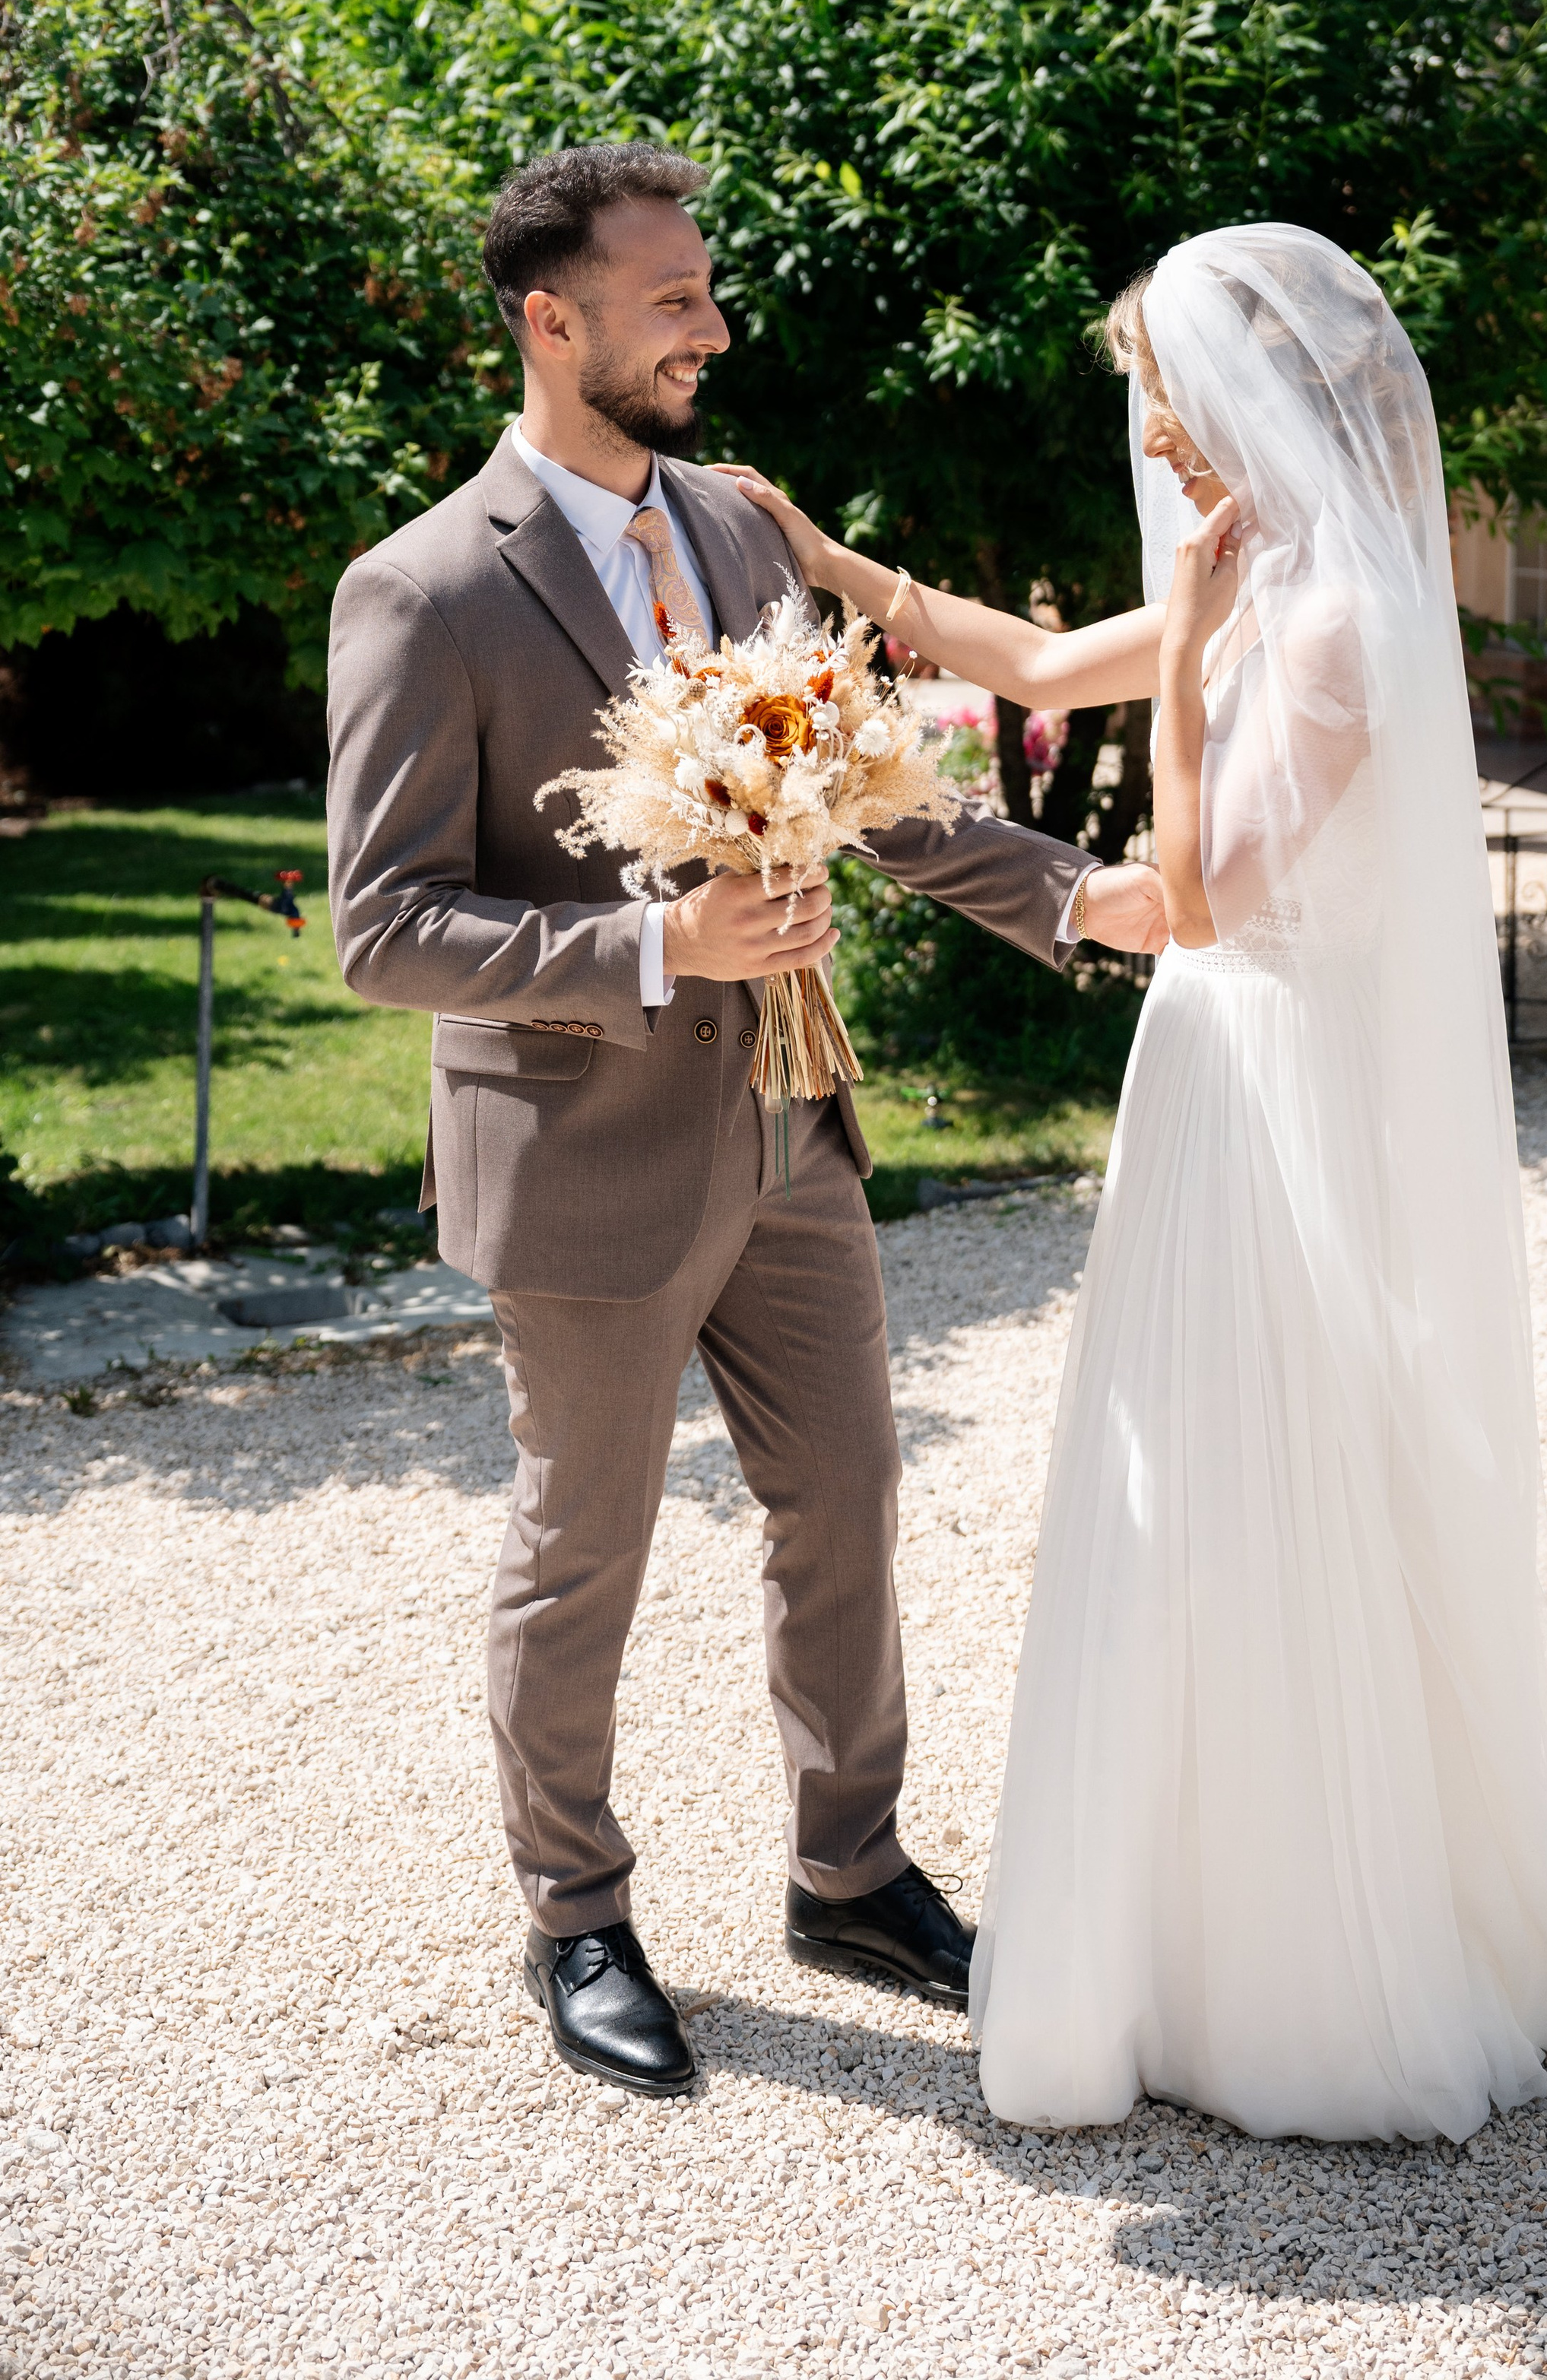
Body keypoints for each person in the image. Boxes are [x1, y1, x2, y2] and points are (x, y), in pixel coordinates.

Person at [731, 221, 1547, 2143]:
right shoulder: (1260, 566)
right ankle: (1169, 1929)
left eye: (1162, 393)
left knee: (1261, 1467)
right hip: (1203, 1072)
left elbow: (1201, 898)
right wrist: (829, 569)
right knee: (1169, 1478)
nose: (1151, 433)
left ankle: (1316, 1957)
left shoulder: (1333, 618)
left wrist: (1162, 684)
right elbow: (1034, 658)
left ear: (1248, 402)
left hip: (1272, 1078)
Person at [325, 143, 1168, 2102]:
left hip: (793, 1122)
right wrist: (654, 941)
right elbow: (380, 926)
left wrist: (1073, 898)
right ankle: (578, 1915)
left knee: (847, 1508)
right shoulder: (425, 588)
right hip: (579, 1158)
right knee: (581, 1550)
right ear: (553, 322)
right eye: (671, 298)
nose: (712, 324)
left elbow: (881, 790)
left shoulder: (740, 529)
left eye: (704, 288)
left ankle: (849, 1870)